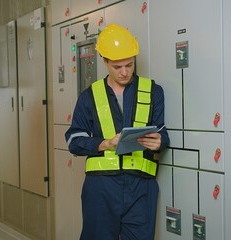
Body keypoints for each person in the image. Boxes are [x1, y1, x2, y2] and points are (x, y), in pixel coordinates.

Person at [65, 23, 170, 240]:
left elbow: (162, 132)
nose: (124, 72)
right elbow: (74, 140)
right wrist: (105, 143)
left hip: (141, 187)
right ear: (104, 61)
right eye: (117, 67)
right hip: (101, 187)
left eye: (129, 65)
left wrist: (159, 142)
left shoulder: (153, 92)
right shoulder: (89, 96)